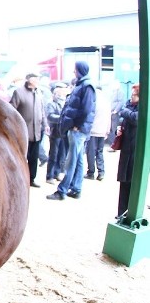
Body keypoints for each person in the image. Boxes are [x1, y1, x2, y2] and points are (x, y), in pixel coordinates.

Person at [47, 61, 96, 201]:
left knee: (71, 161)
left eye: (75, 69)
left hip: (77, 130)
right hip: (77, 130)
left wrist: (77, 125)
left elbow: (86, 109)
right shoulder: (82, 85)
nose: (73, 72)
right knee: (78, 160)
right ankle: (76, 189)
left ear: (80, 70)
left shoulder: (86, 86)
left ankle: (62, 191)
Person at [9, 73, 46, 187]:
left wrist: (45, 124)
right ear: (29, 80)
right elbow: (11, 110)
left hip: (37, 132)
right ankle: (19, 180)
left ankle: (31, 179)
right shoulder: (19, 92)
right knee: (21, 158)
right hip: (23, 133)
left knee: (34, 158)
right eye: (36, 79)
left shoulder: (38, 93)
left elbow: (42, 111)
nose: (37, 81)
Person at [115, 83, 140, 219]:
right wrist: (118, 127)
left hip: (135, 151)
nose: (131, 96)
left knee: (131, 181)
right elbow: (123, 119)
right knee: (123, 181)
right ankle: (121, 212)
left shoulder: (141, 108)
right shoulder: (129, 105)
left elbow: (135, 119)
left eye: (135, 94)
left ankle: (129, 213)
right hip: (126, 149)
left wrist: (123, 111)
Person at [85, 85, 110, 181]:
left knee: (90, 153)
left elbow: (89, 116)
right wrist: (107, 130)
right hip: (102, 131)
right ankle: (101, 172)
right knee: (100, 152)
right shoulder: (107, 102)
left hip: (93, 131)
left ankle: (91, 172)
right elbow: (109, 118)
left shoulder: (94, 101)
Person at [44, 81, 68, 184]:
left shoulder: (64, 102)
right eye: (60, 93)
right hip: (55, 132)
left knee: (61, 155)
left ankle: (57, 173)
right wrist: (62, 119)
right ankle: (49, 176)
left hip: (63, 132)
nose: (61, 94)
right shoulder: (51, 103)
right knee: (53, 155)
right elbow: (50, 116)